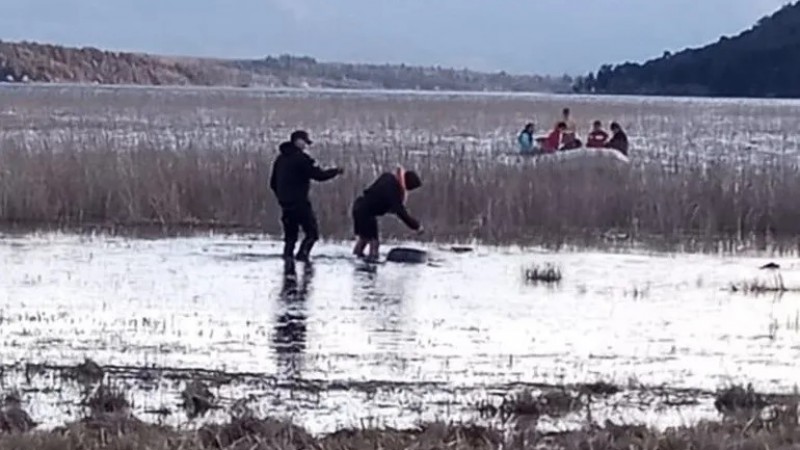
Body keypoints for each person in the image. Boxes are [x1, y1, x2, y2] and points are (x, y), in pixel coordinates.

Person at [269, 130, 343, 262]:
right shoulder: (302, 159)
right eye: (304, 142)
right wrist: (335, 171)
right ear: (297, 141)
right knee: (312, 234)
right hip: (300, 203)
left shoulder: (280, 159)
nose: (305, 146)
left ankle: (288, 264)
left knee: (290, 238)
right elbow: (319, 175)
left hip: (285, 205)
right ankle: (303, 258)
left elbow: (273, 183)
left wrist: (282, 198)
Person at [352, 168, 423, 261]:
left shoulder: (388, 178)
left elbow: (379, 196)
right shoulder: (393, 190)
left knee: (364, 238)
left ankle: (357, 258)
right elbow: (401, 212)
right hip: (366, 212)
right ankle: (371, 262)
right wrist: (416, 226)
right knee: (374, 242)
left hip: (359, 207)